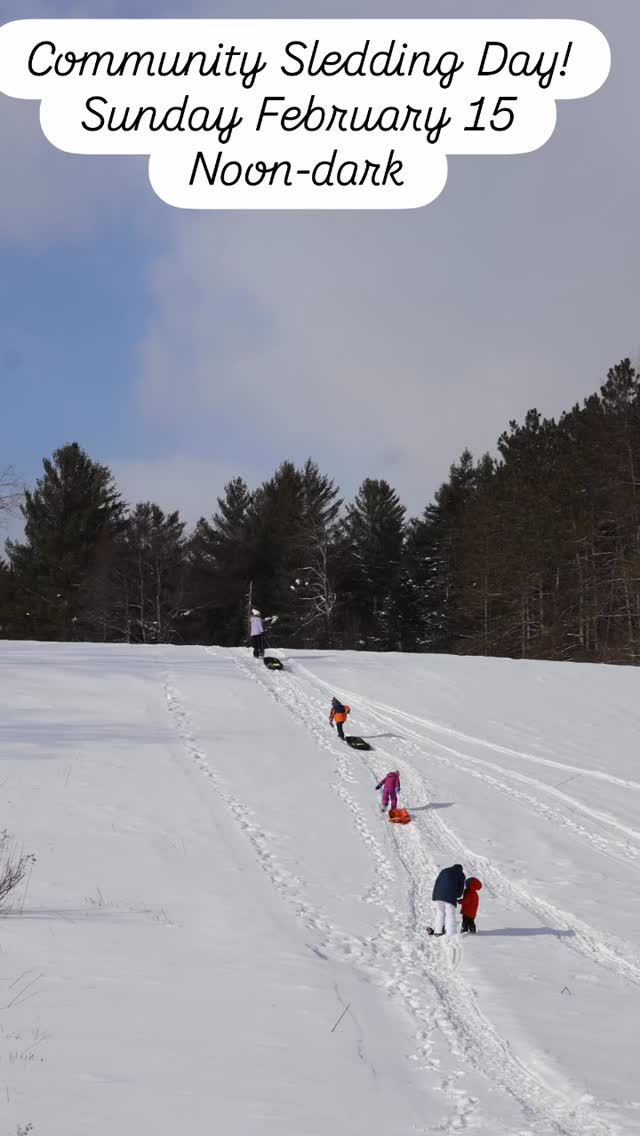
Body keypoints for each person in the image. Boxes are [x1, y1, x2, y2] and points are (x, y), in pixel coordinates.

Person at [430, 863, 466, 937]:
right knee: (450, 914)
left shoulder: (444, 871)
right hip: (449, 897)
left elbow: (437, 882)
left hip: (437, 895)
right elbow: (460, 892)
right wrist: (457, 895)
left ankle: (438, 931)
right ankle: (451, 933)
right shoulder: (461, 875)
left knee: (440, 913)